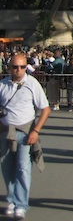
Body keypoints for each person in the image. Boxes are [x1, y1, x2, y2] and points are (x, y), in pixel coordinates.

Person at [0, 53, 51, 219]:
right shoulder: (2, 85)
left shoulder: (32, 83)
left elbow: (45, 109)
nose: (19, 70)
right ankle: (12, 199)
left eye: (22, 67)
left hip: (25, 131)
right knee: (7, 168)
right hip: (5, 131)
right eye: (15, 67)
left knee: (23, 168)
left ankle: (21, 204)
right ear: (9, 68)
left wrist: (35, 131)